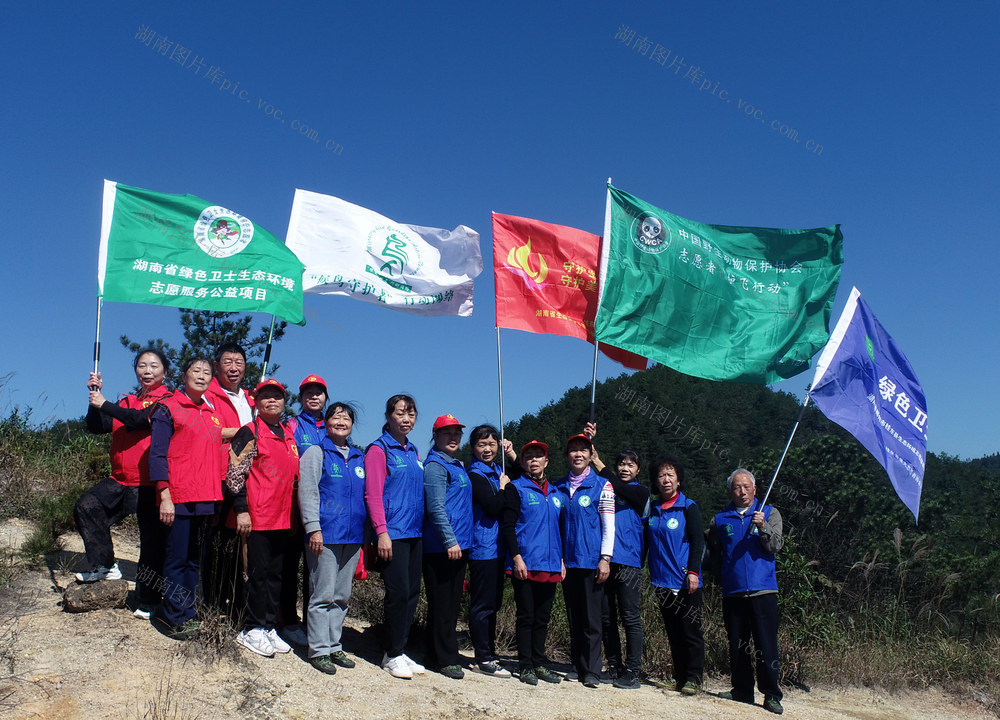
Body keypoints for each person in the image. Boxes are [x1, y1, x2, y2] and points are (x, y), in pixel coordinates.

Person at [73, 349, 172, 619]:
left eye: (154, 366)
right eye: (142, 366)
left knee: (151, 544)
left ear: (165, 372)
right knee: (87, 506)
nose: (147, 371)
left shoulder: (167, 400)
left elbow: (139, 420)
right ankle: (104, 565)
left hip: (150, 483)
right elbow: (97, 426)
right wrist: (94, 398)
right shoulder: (126, 401)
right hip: (120, 479)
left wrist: (105, 403)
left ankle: (149, 600)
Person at [149, 356, 227, 638]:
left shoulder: (211, 413)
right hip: (178, 497)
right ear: (183, 376)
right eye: (196, 371)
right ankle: (172, 616)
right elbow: (157, 455)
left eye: (207, 372)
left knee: (194, 560)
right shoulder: (168, 408)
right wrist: (164, 495)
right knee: (176, 559)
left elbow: (217, 448)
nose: (202, 376)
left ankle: (188, 612)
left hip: (205, 498)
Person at [227, 379, 300, 658]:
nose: (272, 401)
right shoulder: (249, 431)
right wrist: (241, 509)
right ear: (256, 402)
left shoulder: (288, 434)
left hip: (283, 518)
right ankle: (251, 628)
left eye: (277, 397)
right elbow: (235, 473)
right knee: (255, 575)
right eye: (265, 396)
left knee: (275, 575)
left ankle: (269, 625)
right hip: (257, 517)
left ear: (284, 402)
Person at [708, 468, 785, 715]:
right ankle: (742, 689)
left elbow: (776, 546)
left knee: (766, 644)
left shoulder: (769, 513)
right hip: (733, 591)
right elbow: (714, 552)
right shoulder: (720, 519)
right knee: (737, 643)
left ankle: (771, 694)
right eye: (737, 488)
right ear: (730, 491)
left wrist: (763, 527)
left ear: (755, 489)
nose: (742, 492)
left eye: (746, 487)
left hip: (763, 591)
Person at [298, 402, 366, 674]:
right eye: (335, 417)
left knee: (341, 596)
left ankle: (334, 645)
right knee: (322, 594)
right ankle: (318, 649)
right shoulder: (316, 452)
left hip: (353, 536)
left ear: (352, 425)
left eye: (346, 418)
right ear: (326, 423)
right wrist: (313, 528)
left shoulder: (359, 457)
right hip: (325, 534)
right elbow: (308, 491)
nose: (341, 422)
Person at [364, 394, 425, 679]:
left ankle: (400, 648)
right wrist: (382, 532)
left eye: (411, 414)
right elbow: (373, 494)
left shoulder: (412, 451)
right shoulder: (379, 450)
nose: (406, 419)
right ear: (388, 416)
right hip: (393, 533)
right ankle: (391, 653)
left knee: (411, 593)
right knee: (397, 594)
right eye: (400, 413)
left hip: (415, 532)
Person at [501, 440, 565, 686]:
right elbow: (508, 526)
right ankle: (525, 665)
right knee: (526, 616)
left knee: (542, 617)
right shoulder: (516, 488)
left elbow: (559, 530)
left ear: (546, 461)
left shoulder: (556, 493)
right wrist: (516, 557)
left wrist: (561, 560)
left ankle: (539, 662)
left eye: (539, 456)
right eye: (529, 456)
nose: (534, 460)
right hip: (526, 563)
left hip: (551, 565)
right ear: (523, 462)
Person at [557, 431, 615, 689]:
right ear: (567, 455)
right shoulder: (558, 487)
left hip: (592, 562)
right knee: (574, 616)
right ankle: (576, 664)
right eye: (573, 449)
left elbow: (608, 526)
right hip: (567, 563)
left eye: (583, 449)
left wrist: (605, 558)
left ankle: (592, 669)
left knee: (592, 619)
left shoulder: (603, 485)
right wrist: (558, 558)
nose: (578, 454)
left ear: (592, 455)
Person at [201, 342, 254, 623]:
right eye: (227, 362)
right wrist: (243, 432)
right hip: (218, 477)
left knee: (240, 543)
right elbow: (204, 430)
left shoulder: (252, 399)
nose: (234, 368)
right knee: (214, 543)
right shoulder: (207, 394)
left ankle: (236, 608)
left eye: (239, 362)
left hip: (249, 480)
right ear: (217, 366)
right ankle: (209, 604)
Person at [590, 443, 649, 690]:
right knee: (606, 617)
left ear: (638, 470)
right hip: (605, 561)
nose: (625, 468)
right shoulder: (608, 490)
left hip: (629, 563)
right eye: (622, 464)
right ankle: (614, 666)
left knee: (630, 617)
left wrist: (597, 461)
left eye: (630, 465)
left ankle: (633, 671)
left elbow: (620, 487)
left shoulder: (641, 492)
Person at [645, 455, 705, 696]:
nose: (666, 480)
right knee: (673, 631)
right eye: (661, 475)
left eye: (670, 475)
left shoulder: (688, 506)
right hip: (661, 581)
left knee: (690, 630)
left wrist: (693, 572)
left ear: (679, 480)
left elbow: (698, 541)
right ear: (655, 481)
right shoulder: (653, 508)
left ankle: (694, 678)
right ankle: (679, 677)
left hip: (685, 581)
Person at [421, 414, 473, 680]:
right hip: (441, 547)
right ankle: (445, 658)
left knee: (451, 603)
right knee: (442, 604)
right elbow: (436, 508)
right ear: (436, 436)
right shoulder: (435, 465)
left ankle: (435, 652)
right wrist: (449, 540)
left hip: (459, 545)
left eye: (457, 433)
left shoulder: (456, 464)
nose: (453, 438)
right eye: (446, 433)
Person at [466, 425, 516, 678]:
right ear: (473, 447)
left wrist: (512, 455)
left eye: (492, 444)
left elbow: (524, 478)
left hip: (498, 548)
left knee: (493, 603)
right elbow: (493, 506)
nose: (487, 449)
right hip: (482, 548)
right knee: (482, 604)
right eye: (481, 444)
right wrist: (504, 488)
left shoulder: (498, 470)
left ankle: (490, 653)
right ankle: (483, 657)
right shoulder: (475, 475)